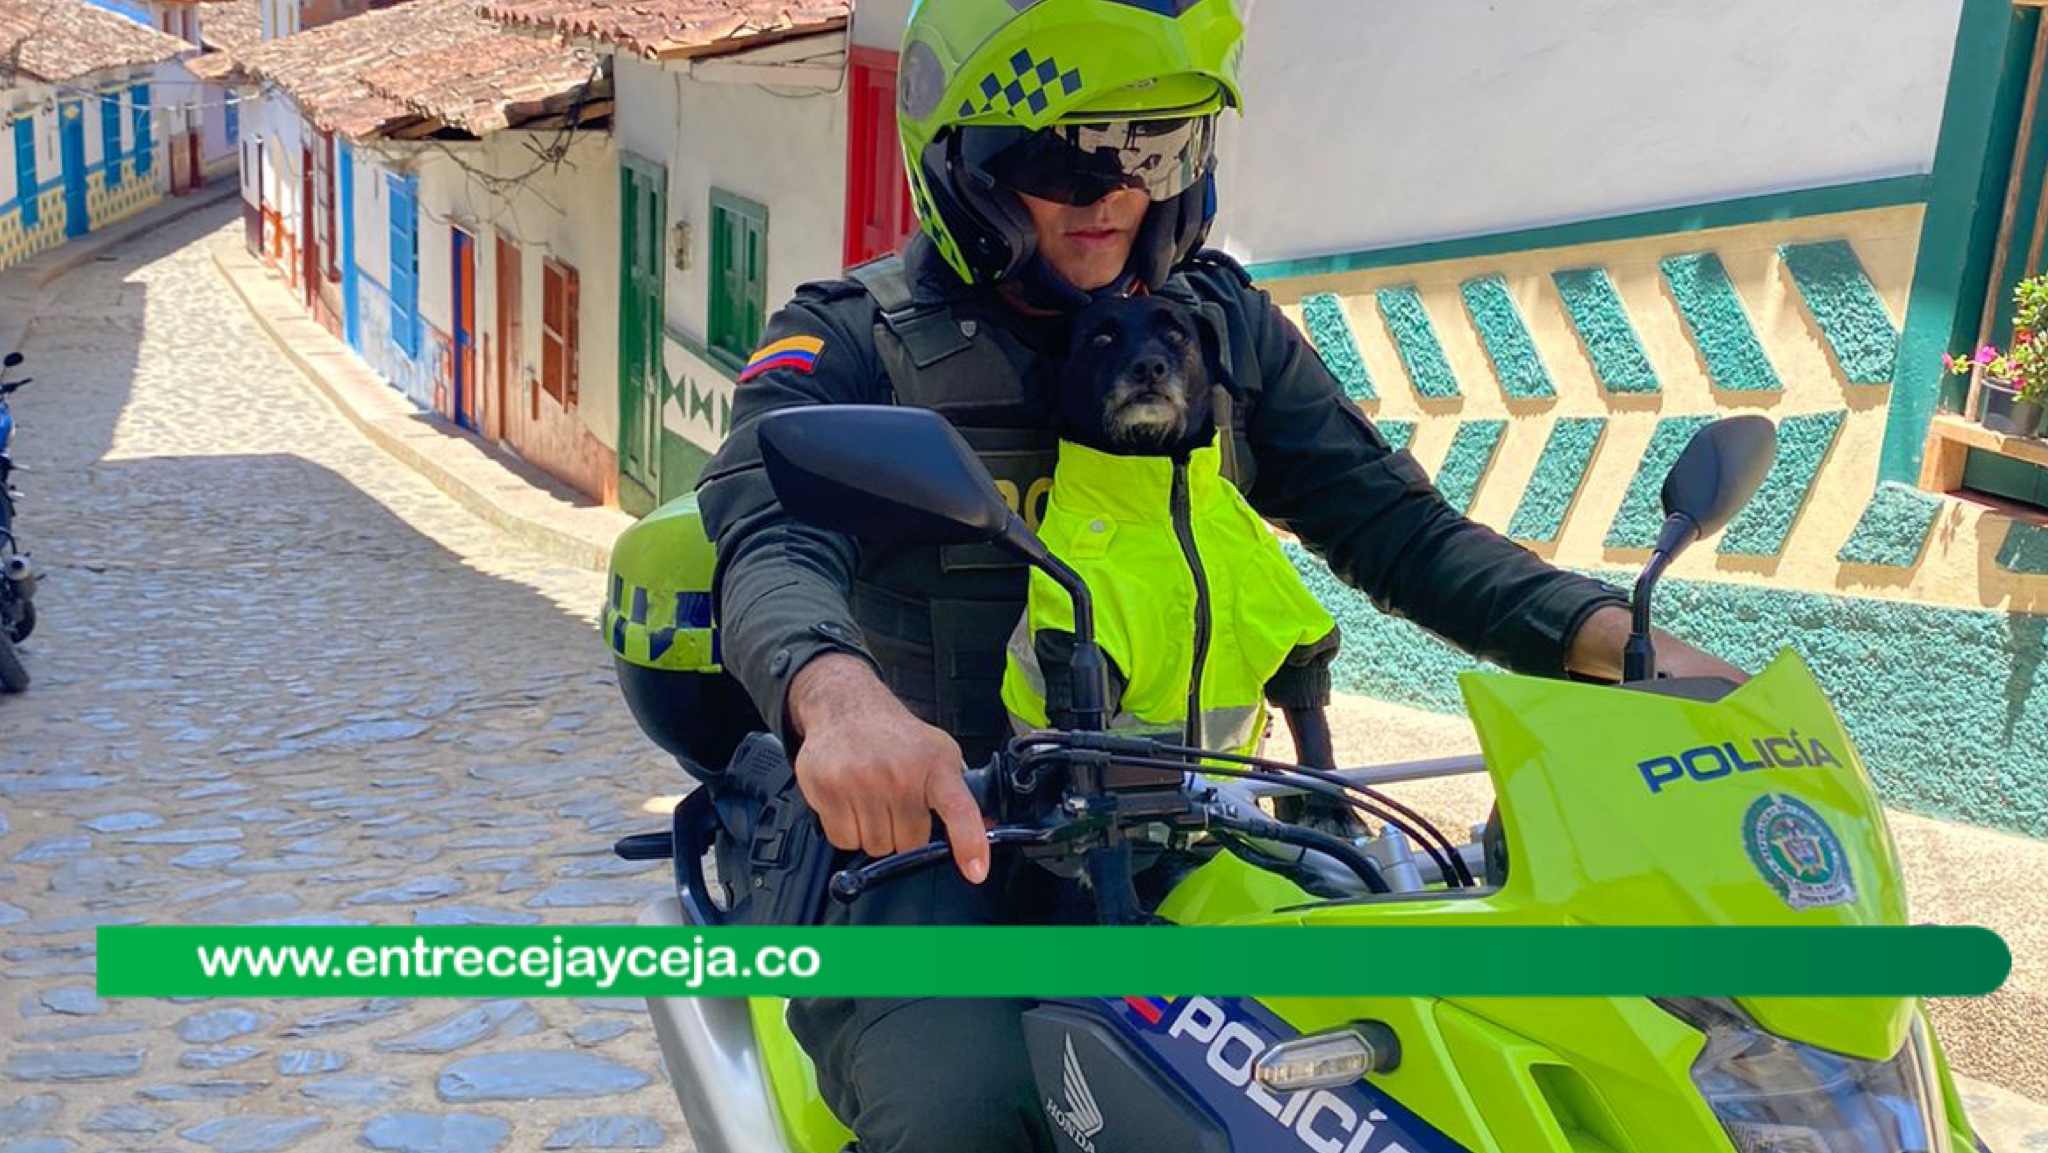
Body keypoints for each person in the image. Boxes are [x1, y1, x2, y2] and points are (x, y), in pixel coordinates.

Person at [695, 2, 1745, 1149]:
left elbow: (1392, 522)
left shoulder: (1221, 326)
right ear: (963, 160)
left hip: (1179, 821)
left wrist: (1618, 641)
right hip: (927, 835)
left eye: (1152, 151)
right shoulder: (847, 340)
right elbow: (769, 533)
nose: (1108, 195)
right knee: (966, 1112)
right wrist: (838, 702)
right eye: (1061, 157)